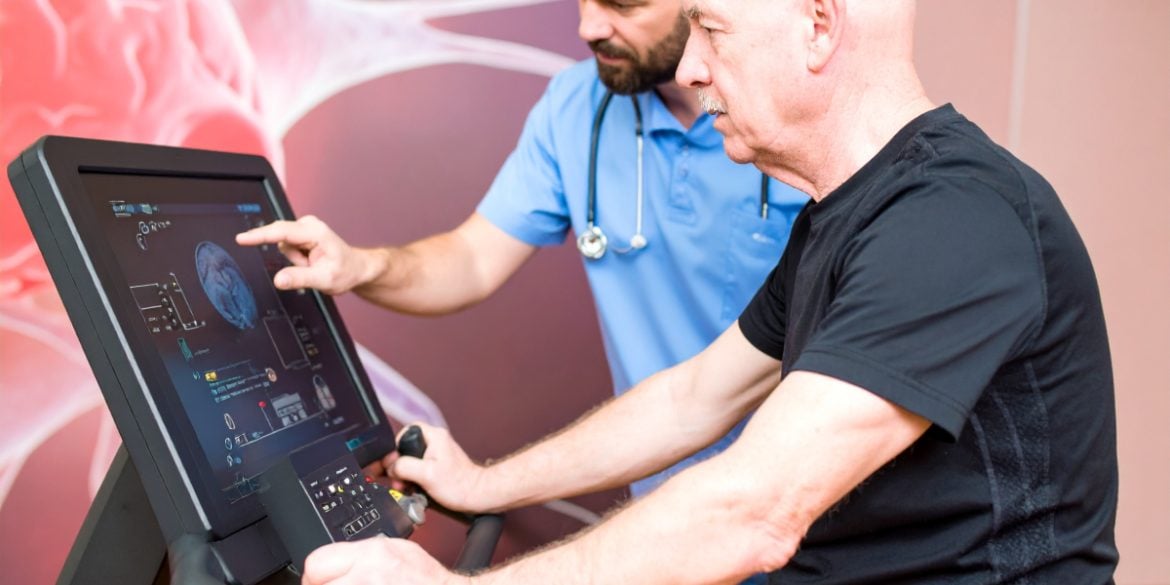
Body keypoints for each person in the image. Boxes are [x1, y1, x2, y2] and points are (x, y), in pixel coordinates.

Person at [298, 0, 1120, 583]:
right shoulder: (842, 216)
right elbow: (693, 398)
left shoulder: (952, 222)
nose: (691, 66)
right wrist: (483, 484)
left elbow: (752, 511)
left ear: (819, 24)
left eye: (714, 31)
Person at [236, 0, 807, 499]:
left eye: (623, 5)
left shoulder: (801, 111)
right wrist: (363, 266)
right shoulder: (576, 105)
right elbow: (473, 259)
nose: (587, 25)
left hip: (810, 507)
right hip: (662, 504)